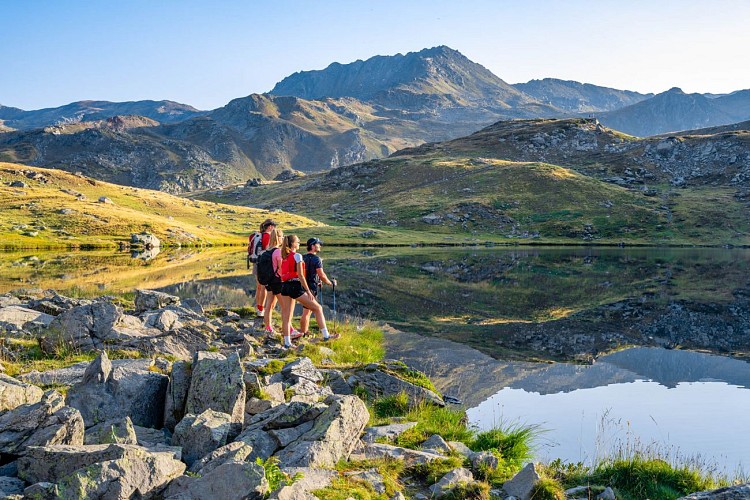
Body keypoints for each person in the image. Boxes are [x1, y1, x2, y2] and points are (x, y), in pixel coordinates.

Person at [279, 234, 336, 349]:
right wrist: (308, 291)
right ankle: (326, 335)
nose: (300, 244)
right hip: (296, 286)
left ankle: (287, 343)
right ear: (293, 244)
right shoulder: (297, 256)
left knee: (287, 316)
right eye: (298, 242)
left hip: (284, 286)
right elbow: (301, 275)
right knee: (318, 308)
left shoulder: (284, 256)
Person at [299, 237, 336, 336]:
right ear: (312, 246)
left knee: (307, 311)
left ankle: (304, 332)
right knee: (307, 312)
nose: (319, 246)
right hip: (311, 288)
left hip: (303, 286)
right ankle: (305, 332)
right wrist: (330, 283)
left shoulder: (302, 257)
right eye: (318, 244)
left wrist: (318, 281)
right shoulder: (317, 259)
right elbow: (321, 274)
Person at [261, 227, 284, 334]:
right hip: (278, 281)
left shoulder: (267, 251)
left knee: (269, 305)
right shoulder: (278, 251)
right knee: (285, 307)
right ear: (278, 238)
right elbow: (281, 268)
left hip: (269, 281)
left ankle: (268, 327)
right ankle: (289, 329)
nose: (283, 239)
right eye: (282, 237)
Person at [254, 219, 276, 317]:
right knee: (264, 287)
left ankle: (258, 307)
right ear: (270, 226)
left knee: (259, 287)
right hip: (265, 264)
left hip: (256, 262)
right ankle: (261, 309)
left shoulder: (257, 236)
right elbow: (268, 249)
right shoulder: (267, 236)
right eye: (273, 226)